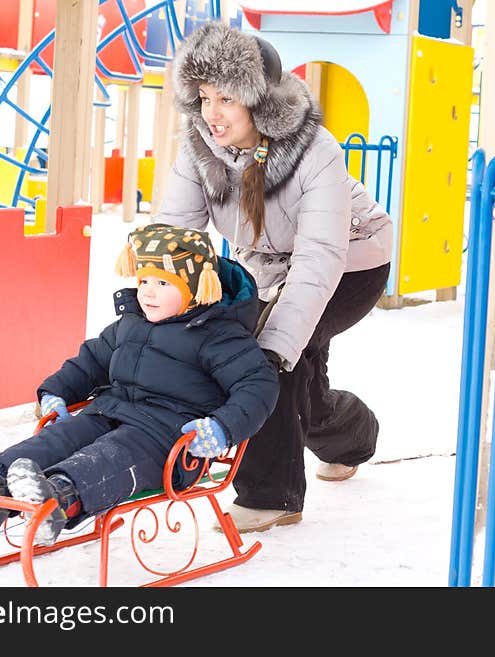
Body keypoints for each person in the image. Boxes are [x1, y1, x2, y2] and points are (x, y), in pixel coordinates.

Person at [151, 22, 393, 532]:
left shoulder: (313, 149)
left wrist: (275, 345)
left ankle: (270, 495)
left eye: (226, 100)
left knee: (271, 356)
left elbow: (321, 255)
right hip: (270, 266)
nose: (211, 114)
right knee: (303, 388)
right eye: (204, 97)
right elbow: (177, 233)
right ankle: (352, 435)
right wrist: (155, 299)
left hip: (352, 261)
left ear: (259, 102)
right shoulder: (200, 148)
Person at [0, 224, 279, 546]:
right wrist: (56, 391)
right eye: (144, 279)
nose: (147, 291)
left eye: (163, 284)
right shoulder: (129, 324)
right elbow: (91, 361)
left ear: (196, 288)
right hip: (108, 412)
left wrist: (221, 428)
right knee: (62, 437)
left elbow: (258, 386)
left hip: (166, 439)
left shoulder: (219, 335)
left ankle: (61, 499)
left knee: (110, 456)